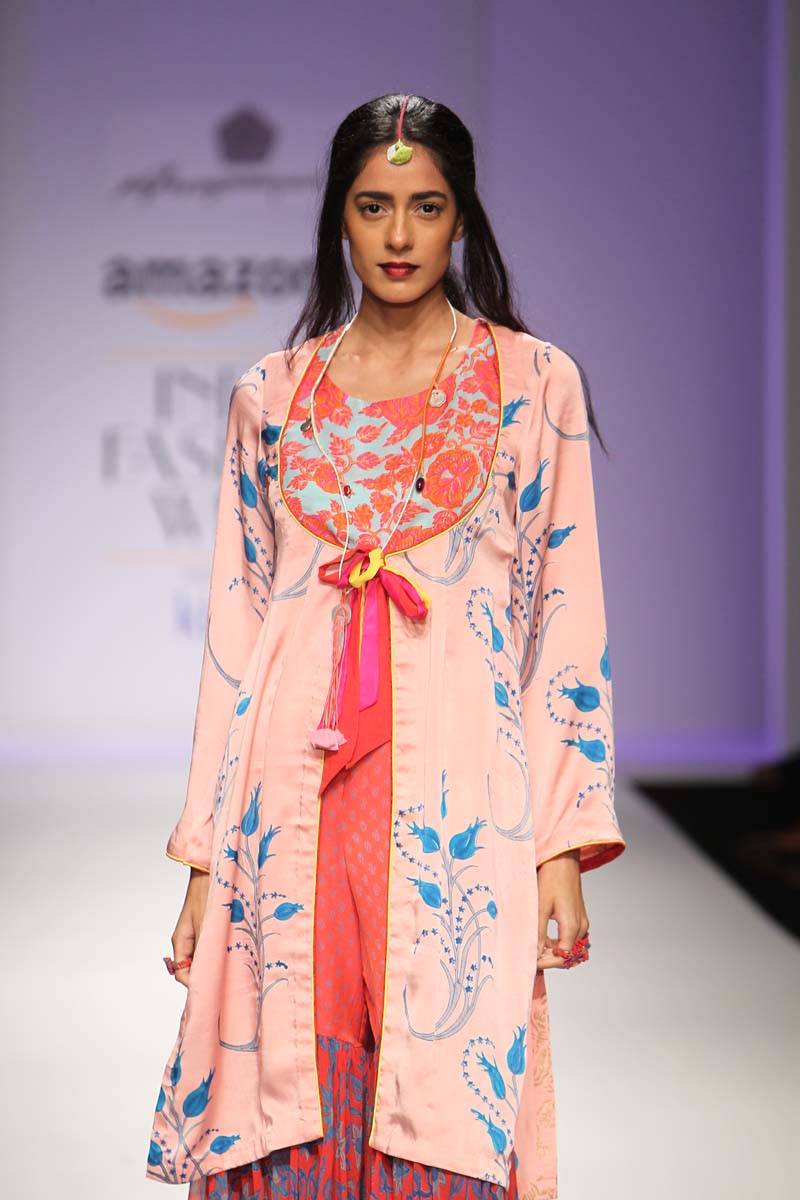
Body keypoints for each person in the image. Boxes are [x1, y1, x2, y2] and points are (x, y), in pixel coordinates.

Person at [146, 93, 626, 1200]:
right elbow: (233, 643)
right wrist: (205, 864)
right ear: (339, 217)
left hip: (460, 803)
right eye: (373, 206)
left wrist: (559, 846)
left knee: (440, 1101)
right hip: (288, 802)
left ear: (462, 218)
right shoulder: (271, 397)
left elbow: (566, 622)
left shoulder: (531, 384)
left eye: (426, 206)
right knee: (286, 1096)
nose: (399, 235)